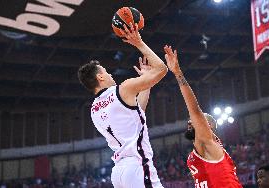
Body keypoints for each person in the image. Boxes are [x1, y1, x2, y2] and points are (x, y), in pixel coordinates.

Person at [78, 23, 167, 188]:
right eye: (105, 72)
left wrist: (145, 82)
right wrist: (139, 43)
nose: (110, 74)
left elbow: (136, 114)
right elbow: (161, 69)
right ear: (100, 77)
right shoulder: (123, 89)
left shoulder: (94, 109)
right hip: (137, 165)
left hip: (119, 172)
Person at [163, 45, 243, 188]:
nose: (189, 121)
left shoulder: (209, 142)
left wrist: (178, 73)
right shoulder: (202, 148)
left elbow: (195, 111)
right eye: (190, 121)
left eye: (194, 120)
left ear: (209, 126)